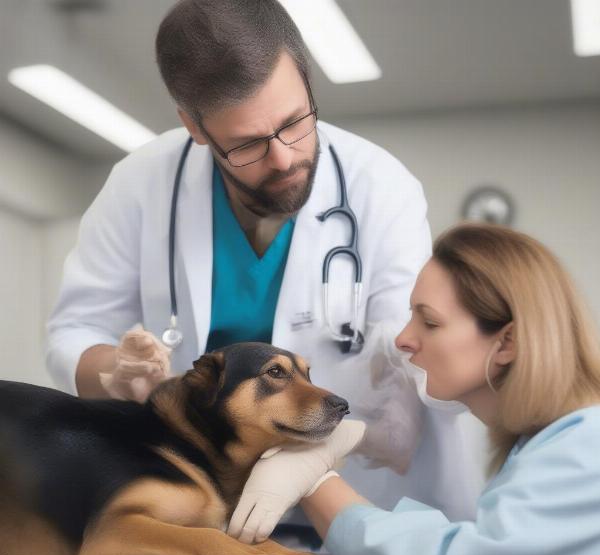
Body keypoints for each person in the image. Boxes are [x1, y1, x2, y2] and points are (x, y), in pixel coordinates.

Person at [46, 0, 479, 524]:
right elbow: (77, 327)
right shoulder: (141, 184)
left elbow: (410, 348)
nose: (283, 158)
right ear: (196, 127)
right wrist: (113, 373)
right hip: (206, 505)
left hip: (366, 498)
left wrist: (327, 451)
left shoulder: (379, 186)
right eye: (248, 144)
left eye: (295, 122)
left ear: (307, 82)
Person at [229, 223, 600, 555]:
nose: (403, 339)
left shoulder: (588, 449)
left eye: (430, 322)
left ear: (508, 342)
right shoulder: (555, 445)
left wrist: (316, 481)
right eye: (411, 316)